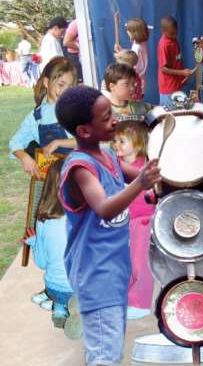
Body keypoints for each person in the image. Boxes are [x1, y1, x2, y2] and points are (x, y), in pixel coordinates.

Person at [55, 86, 161, 365]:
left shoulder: (108, 156)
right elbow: (103, 207)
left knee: (111, 347)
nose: (114, 120)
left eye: (111, 113)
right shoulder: (81, 167)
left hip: (114, 270)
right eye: (105, 118)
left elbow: (141, 179)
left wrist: (159, 184)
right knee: (105, 356)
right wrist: (141, 184)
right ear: (84, 130)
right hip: (96, 274)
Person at [23, 159, 76, 331]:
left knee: (59, 297)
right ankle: (82, 311)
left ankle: (59, 311)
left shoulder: (43, 221)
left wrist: (33, 241)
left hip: (55, 289)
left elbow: (42, 262)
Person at [111, 121, 155, 320]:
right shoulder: (119, 166)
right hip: (126, 221)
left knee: (140, 263)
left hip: (143, 221)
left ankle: (140, 303)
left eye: (122, 141)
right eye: (115, 141)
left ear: (137, 145)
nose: (116, 145)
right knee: (126, 262)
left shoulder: (143, 168)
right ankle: (127, 298)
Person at [9, 57, 77, 178]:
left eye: (70, 86)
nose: (65, 91)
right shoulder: (36, 117)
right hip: (51, 183)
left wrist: (57, 143)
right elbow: (15, 143)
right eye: (61, 84)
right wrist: (25, 157)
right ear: (46, 82)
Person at [157, 16, 194, 109]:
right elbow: (163, 68)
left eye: (176, 32)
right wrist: (182, 72)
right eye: (172, 34)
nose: (174, 35)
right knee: (171, 115)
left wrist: (183, 74)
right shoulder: (163, 45)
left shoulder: (174, 40)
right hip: (169, 87)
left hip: (179, 83)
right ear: (163, 31)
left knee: (183, 112)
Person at [115, 18, 149, 98]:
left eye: (128, 30)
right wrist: (121, 51)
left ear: (134, 33)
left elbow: (132, 63)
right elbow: (132, 56)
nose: (127, 32)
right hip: (140, 82)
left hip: (136, 84)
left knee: (133, 106)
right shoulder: (141, 43)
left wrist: (119, 55)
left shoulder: (137, 47)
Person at [63, 19, 83, 83]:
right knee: (80, 82)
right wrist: (83, 48)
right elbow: (66, 42)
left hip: (85, 55)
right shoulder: (76, 24)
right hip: (75, 56)